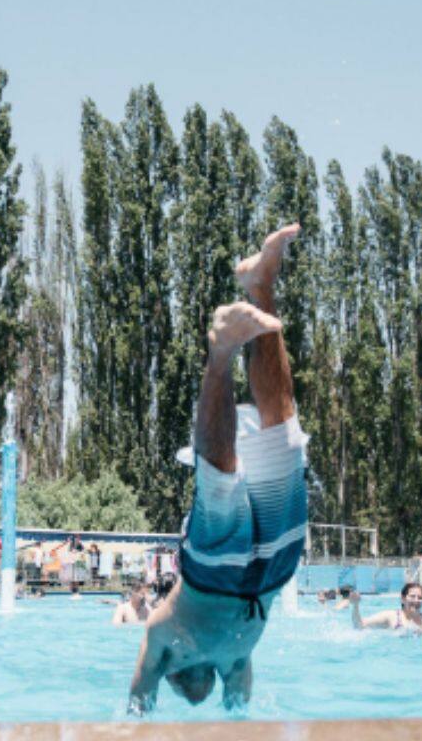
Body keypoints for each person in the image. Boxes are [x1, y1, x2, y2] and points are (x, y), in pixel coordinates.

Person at [128, 224, 309, 714]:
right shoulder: (234, 661)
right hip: (273, 573)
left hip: (211, 576)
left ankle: (222, 350)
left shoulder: (161, 637)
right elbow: (238, 716)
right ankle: (261, 285)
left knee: (220, 481)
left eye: (186, 694)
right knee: (283, 437)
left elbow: (137, 705)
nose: (193, 699)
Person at [348, 583, 422, 634]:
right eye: (412, 596)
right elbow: (359, 625)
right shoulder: (391, 617)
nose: (416, 600)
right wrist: (356, 605)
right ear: (403, 598)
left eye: (420, 597)